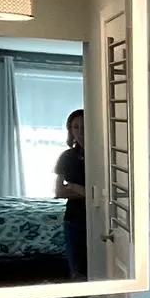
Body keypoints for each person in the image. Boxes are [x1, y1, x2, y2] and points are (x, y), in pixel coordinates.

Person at [53, 108, 88, 280]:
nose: (80, 132)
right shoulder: (67, 157)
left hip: (100, 218)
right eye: (76, 127)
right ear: (71, 131)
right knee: (77, 270)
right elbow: (59, 191)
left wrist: (72, 186)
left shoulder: (105, 154)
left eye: (84, 126)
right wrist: (87, 192)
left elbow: (101, 193)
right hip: (74, 218)